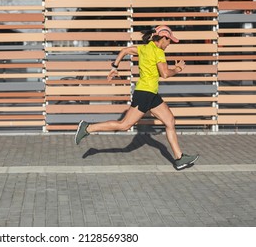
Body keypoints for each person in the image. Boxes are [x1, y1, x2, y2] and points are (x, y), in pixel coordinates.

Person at [74, 25, 199, 170]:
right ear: (163, 38)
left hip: (151, 94)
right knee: (124, 125)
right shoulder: (158, 52)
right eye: (169, 40)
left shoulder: (144, 48)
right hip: (145, 94)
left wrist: (115, 66)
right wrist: (177, 69)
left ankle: (179, 158)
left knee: (170, 121)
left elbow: (125, 50)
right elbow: (165, 74)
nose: (170, 44)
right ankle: (87, 128)